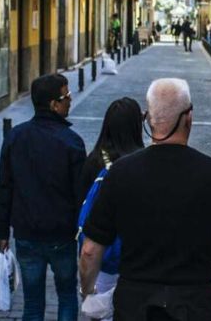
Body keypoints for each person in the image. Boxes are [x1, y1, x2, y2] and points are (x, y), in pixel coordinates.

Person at [79, 79, 211, 320]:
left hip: (135, 306)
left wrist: (87, 290)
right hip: (194, 305)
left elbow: (89, 250)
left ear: (150, 119)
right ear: (188, 117)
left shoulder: (120, 173)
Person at [0, 74, 86, 321]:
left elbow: (5, 188)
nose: (70, 100)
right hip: (62, 236)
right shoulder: (72, 142)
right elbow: (81, 195)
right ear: (53, 105)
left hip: (27, 235)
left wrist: (2, 232)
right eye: (65, 96)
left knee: (32, 303)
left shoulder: (15, 137)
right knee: (67, 295)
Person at [78, 97, 145, 299]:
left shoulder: (94, 161)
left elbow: (81, 205)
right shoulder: (142, 162)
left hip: (101, 259)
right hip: (137, 259)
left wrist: (85, 287)